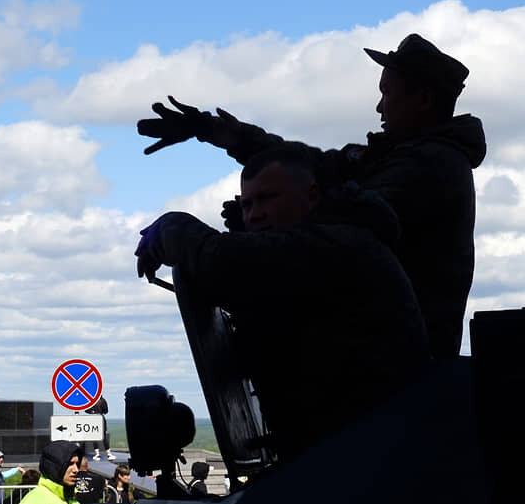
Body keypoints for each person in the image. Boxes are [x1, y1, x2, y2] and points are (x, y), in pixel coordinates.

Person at [137, 33, 486, 360]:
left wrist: (245, 228)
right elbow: (310, 167)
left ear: (423, 99)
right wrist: (221, 133)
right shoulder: (391, 158)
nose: (379, 107)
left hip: (397, 370)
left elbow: (335, 236)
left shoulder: (429, 167)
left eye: (387, 93)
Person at [135, 143, 431, 460]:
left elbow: (223, 261)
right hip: (355, 448)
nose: (254, 214)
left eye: (267, 199)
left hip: (371, 451)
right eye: (247, 204)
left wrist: (170, 227)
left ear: (312, 196)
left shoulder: (339, 244)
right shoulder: (322, 247)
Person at [10, 440, 84, 504]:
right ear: (54, 467)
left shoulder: (72, 501)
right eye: (70, 464)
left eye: (77, 464)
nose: (76, 470)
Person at [85, 396, 114, 461]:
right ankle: (108, 454)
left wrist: (92, 412)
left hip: (92, 418)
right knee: (103, 436)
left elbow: (86, 410)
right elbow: (106, 411)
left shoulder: (90, 400)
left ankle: (97, 454)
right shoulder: (103, 400)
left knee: (94, 436)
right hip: (100, 417)